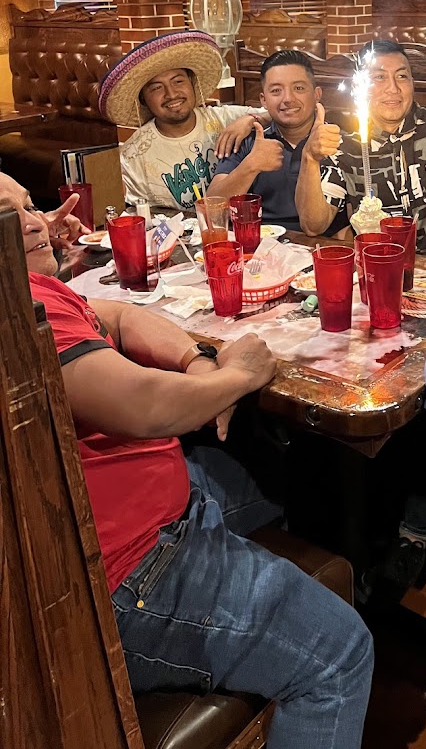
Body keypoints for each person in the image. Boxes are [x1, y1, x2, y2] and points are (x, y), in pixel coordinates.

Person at [0, 171, 373, 747]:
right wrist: (237, 376)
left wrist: (200, 365)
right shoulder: (19, 311)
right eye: (8, 218)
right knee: (340, 653)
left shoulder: (40, 290)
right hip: (124, 572)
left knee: (284, 473)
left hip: (151, 506)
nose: (33, 222)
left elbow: (120, 317)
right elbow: (147, 406)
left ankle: (353, 577)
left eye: (31, 206)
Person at [296, 39, 426, 258]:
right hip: (378, 266)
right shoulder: (344, 147)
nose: (393, 88)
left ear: (412, 83)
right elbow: (313, 226)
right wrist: (310, 158)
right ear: (358, 87)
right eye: (379, 77)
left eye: (402, 76)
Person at [99, 31, 272, 212]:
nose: (171, 94)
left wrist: (251, 119)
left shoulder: (225, 119)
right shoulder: (133, 158)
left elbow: (280, 114)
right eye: (157, 88)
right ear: (143, 99)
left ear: (192, 83)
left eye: (178, 81)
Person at [208, 50, 345, 234]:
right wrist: (251, 165)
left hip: (320, 244)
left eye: (299, 88)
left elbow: (318, 226)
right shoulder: (248, 140)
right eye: (276, 91)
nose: (288, 99)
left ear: (316, 95)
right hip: (259, 243)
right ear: (263, 100)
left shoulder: (336, 141)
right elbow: (211, 210)